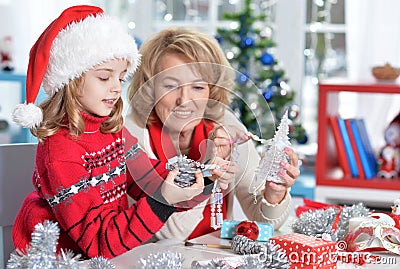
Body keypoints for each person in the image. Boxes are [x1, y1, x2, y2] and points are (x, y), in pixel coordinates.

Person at [11, 6, 205, 259]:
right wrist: (163, 201)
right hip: (62, 262)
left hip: (110, 257)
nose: (116, 88)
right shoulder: (60, 152)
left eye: (121, 78)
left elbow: (145, 177)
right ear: (70, 80)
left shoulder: (111, 129)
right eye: (104, 78)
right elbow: (98, 244)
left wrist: (200, 176)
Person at [125, 28, 301, 241]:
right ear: (150, 88)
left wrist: (274, 193)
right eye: (171, 86)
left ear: (212, 90)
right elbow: (169, 234)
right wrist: (208, 174)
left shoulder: (226, 127)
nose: (185, 100)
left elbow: (262, 222)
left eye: (198, 87)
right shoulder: (131, 135)